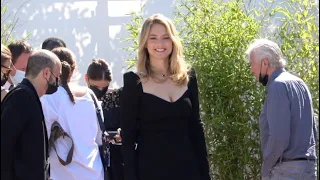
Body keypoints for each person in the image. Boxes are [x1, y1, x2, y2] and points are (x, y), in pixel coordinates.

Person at [120, 14, 211, 180]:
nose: (160, 44)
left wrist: (205, 174)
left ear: (173, 41)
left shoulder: (188, 78)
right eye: (153, 38)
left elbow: (196, 129)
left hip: (188, 169)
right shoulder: (134, 82)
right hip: (150, 170)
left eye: (166, 37)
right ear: (145, 43)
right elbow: (128, 139)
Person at [245, 39, 317, 179]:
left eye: (252, 64)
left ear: (265, 63)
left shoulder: (277, 86)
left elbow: (279, 138)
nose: (251, 70)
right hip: (308, 169)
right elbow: (313, 129)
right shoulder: (301, 83)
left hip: (285, 171)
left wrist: (266, 170)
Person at [41, 47, 104, 180]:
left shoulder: (48, 98)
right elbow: (99, 138)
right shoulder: (90, 95)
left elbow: (42, 139)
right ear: (74, 71)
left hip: (62, 175)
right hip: (94, 173)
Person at [1, 49, 62, 180]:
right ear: (46, 72)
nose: (57, 82)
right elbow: (4, 147)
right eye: (56, 76)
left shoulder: (30, 96)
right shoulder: (21, 97)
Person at [85, 58, 123, 180]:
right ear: (86, 79)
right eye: (96, 86)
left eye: (104, 87)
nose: (100, 91)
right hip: (92, 156)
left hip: (117, 158)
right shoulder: (81, 100)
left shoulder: (117, 97)